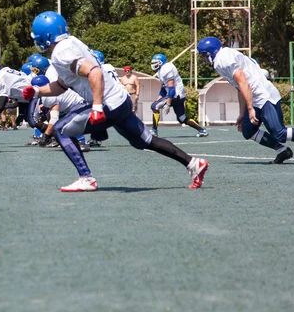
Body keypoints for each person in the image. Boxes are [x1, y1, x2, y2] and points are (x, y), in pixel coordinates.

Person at [23, 11, 209, 192]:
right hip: (121, 101)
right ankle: (193, 163)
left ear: (46, 36)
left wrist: (96, 107)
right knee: (145, 140)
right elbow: (62, 85)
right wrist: (38, 91)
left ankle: (85, 177)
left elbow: (94, 72)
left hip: (107, 104)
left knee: (60, 130)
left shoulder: (61, 52)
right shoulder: (71, 44)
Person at [197, 37, 294, 163]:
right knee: (248, 130)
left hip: (263, 94)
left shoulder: (222, 59)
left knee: (280, 133)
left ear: (211, 52)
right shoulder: (224, 56)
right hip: (254, 95)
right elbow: (239, 87)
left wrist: (250, 109)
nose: (203, 59)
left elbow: (243, 83)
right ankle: (283, 150)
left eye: (203, 55)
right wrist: (242, 112)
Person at [150, 53, 208, 138]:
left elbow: (171, 88)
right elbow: (164, 88)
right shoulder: (161, 70)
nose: (154, 64)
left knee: (154, 106)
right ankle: (202, 130)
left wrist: (168, 103)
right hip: (179, 96)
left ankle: (154, 131)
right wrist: (158, 98)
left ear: (161, 62)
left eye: (156, 62)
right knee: (182, 118)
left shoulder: (166, 68)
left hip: (175, 95)